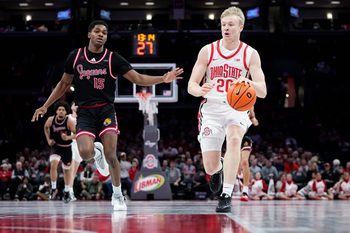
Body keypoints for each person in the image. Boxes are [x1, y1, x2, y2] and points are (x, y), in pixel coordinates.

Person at [32, 20, 183, 211]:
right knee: (85, 153)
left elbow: (137, 78)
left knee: (112, 154)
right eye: (97, 31)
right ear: (89, 34)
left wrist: (163, 78)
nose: (101, 34)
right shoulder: (76, 56)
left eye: (104, 32)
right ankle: (96, 153)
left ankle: (118, 195)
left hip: (106, 110)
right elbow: (63, 84)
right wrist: (45, 106)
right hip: (85, 112)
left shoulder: (113, 58)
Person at [187, 6, 267, 212]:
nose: (226, 28)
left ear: (241, 26)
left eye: (231, 24)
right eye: (224, 25)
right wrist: (200, 90)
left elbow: (263, 91)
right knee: (210, 166)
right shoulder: (208, 51)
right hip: (211, 109)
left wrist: (248, 84)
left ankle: (226, 194)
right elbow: (191, 86)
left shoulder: (250, 54)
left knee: (234, 139)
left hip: (236, 108)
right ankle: (219, 170)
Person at [67, 102, 109, 201]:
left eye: (78, 104)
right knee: (70, 170)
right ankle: (68, 192)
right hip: (72, 145)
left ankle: (70, 192)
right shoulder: (68, 118)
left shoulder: (83, 118)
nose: (76, 105)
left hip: (81, 145)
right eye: (74, 104)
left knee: (74, 173)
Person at [43, 101, 76, 203]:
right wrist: (48, 139)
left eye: (63, 110)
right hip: (56, 147)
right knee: (53, 165)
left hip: (67, 147)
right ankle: (53, 188)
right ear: (56, 111)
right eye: (59, 110)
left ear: (66, 112)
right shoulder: (51, 119)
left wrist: (68, 137)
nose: (61, 111)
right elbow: (46, 127)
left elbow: (77, 134)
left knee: (66, 171)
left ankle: (66, 191)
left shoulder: (69, 121)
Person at [239, 107, 259, 201]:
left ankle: (245, 190)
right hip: (233, 136)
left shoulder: (249, 103)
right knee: (236, 166)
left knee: (244, 162)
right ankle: (237, 182)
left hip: (245, 138)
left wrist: (253, 120)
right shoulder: (229, 100)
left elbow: (254, 120)